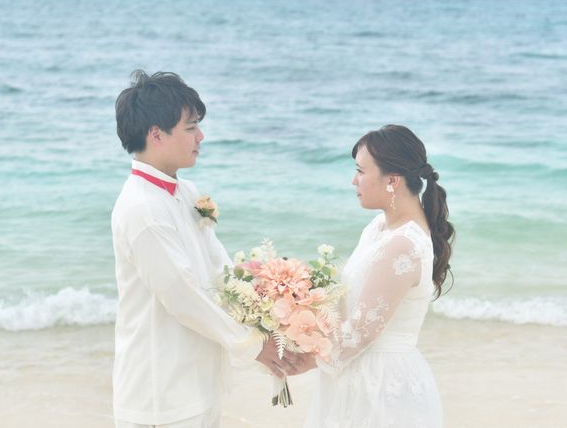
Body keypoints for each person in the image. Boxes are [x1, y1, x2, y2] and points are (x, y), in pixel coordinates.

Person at [111, 70, 299, 428]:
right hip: (161, 391)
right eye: (191, 128)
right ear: (156, 135)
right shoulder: (142, 208)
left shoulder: (187, 192)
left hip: (199, 379)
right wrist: (253, 346)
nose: (201, 136)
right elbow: (182, 296)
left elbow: (218, 269)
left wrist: (269, 306)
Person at [303, 124, 455, 427]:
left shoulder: (403, 244)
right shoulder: (378, 227)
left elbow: (362, 331)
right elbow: (350, 303)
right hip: (355, 371)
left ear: (392, 181)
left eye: (361, 171)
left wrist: (303, 360)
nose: (353, 180)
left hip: (381, 382)